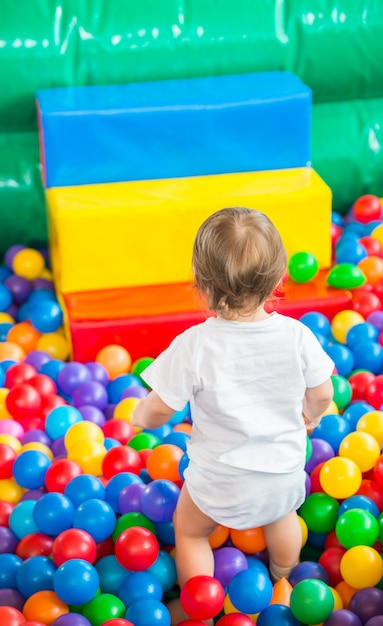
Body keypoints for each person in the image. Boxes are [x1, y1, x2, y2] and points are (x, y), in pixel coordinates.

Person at [132, 207, 334, 624]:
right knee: (284, 517)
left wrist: (140, 416)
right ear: (280, 276)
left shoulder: (195, 345)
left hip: (218, 485)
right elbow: (323, 392)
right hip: (281, 477)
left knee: (188, 529)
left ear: (202, 284)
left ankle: (201, 608)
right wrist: (309, 418)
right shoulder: (297, 336)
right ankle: (284, 575)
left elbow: (158, 409)